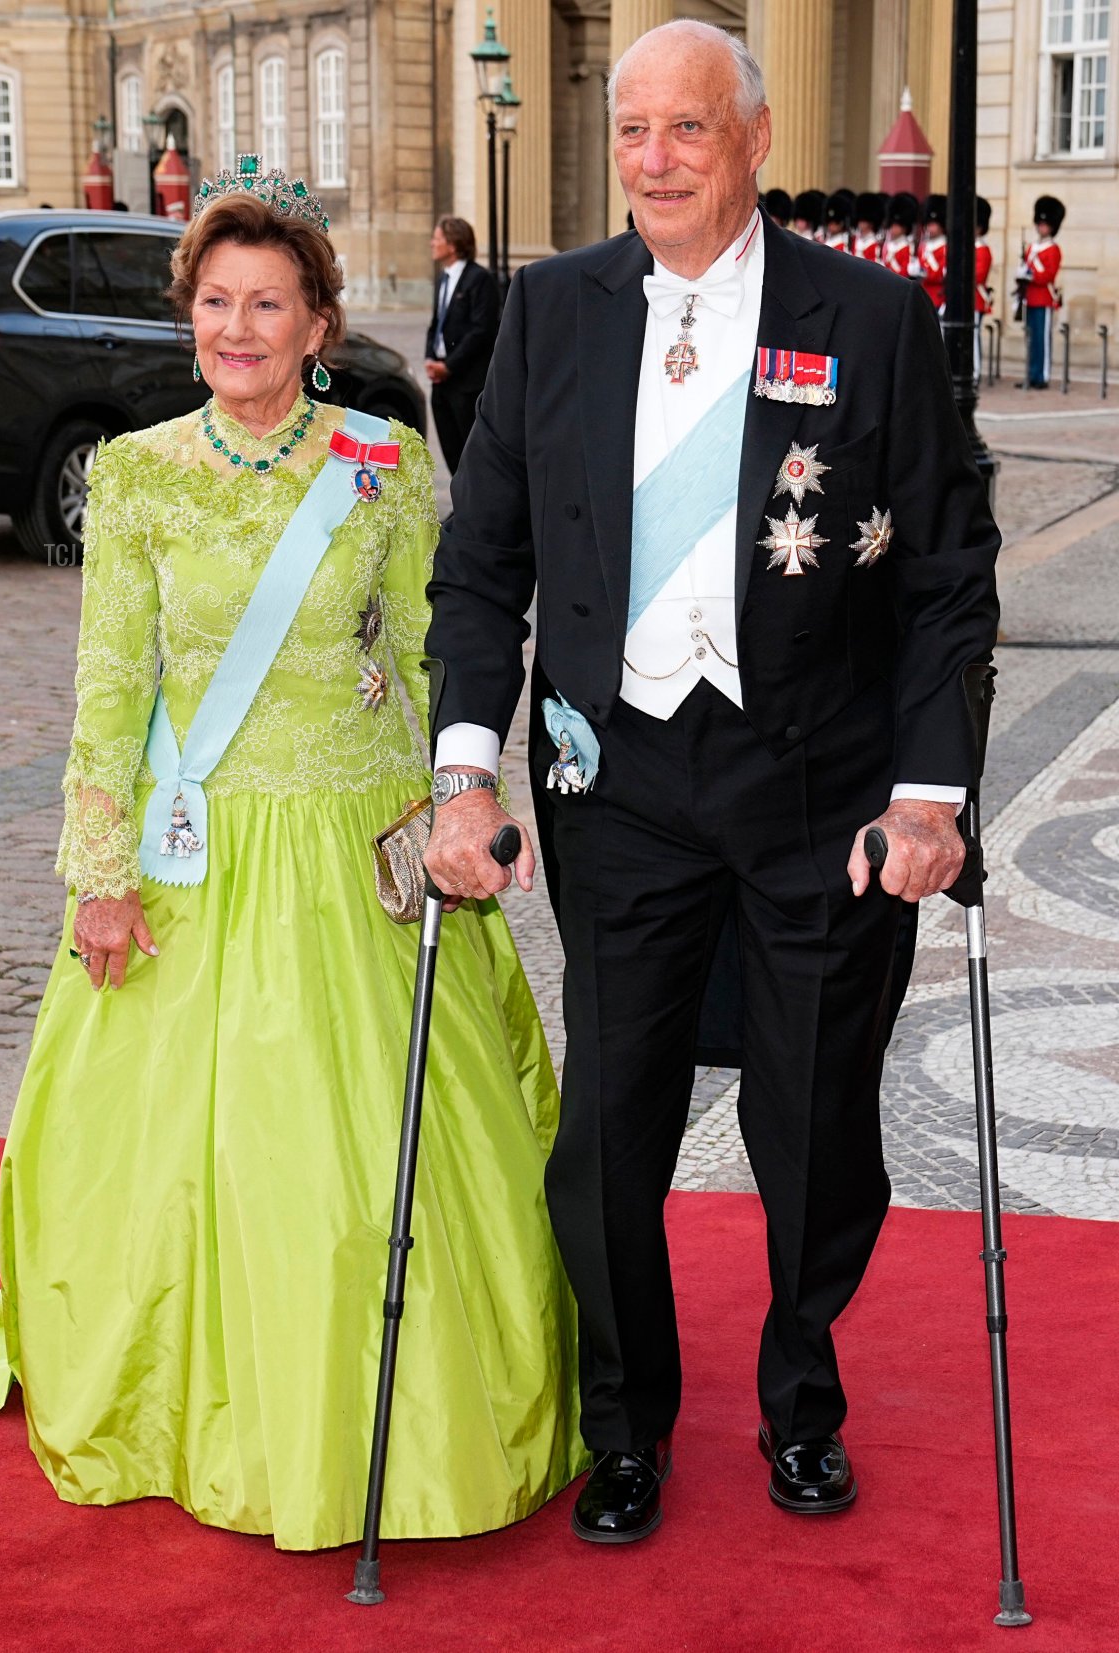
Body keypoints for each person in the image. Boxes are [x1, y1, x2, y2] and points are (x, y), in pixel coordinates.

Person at [0, 162, 586, 1549]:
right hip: (193, 859)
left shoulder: (384, 466)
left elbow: (437, 652)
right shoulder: (134, 478)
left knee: (367, 1174)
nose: (239, 328)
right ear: (192, 321)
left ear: (316, 324)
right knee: (177, 1159)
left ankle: (388, 1411)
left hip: (355, 851)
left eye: (268, 304)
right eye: (216, 303)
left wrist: (463, 801)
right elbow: (110, 689)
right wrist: (96, 871)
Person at [423, 19, 999, 1544]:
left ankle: (801, 1394)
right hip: (617, 782)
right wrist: (463, 773)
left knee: (813, 1123)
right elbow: (480, 568)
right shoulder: (548, 315)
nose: (656, 161)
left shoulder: (867, 320)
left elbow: (948, 569)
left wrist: (933, 790)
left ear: (751, 143)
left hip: (816, 780)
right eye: (633, 133)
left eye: (687, 130)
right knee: (608, 1120)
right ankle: (628, 1427)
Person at [423, 215, 501, 474]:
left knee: (471, 452)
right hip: (442, 383)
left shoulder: (479, 279)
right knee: (451, 450)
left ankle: (473, 509)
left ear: (453, 244)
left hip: (466, 383)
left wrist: (449, 365)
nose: (432, 243)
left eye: (437, 238)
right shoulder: (443, 278)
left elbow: (482, 331)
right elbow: (436, 323)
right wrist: (430, 358)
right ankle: (460, 508)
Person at [1016, 195, 1064, 390]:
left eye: (1046, 225)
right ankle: (1031, 374)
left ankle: (1042, 375)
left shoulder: (1053, 249)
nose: (1042, 228)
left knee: (1042, 340)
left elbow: (1048, 276)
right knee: (1030, 339)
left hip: (1044, 298)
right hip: (1029, 298)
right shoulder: (1031, 248)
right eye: (1040, 224)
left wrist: (1031, 273)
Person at [975, 195, 993, 384]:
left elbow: (978, 276)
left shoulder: (982, 250)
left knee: (973, 338)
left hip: (976, 298)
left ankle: (975, 372)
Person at [919, 194, 947, 311]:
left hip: (939, 296)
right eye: (928, 224)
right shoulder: (923, 246)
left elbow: (941, 274)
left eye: (933, 224)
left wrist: (926, 273)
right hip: (923, 294)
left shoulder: (945, 247)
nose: (930, 228)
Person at [881, 192, 919, 278]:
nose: (893, 229)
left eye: (897, 225)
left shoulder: (906, 247)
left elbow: (904, 272)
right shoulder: (888, 245)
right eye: (892, 225)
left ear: (905, 227)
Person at [822, 189, 856, 254]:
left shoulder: (847, 244)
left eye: (836, 222)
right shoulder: (825, 241)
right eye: (829, 222)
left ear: (842, 223)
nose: (832, 226)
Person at [853, 191, 885, 262]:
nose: (860, 224)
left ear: (871, 223)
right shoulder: (854, 241)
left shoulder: (875, 243)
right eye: (860, 220)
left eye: (864, 221)